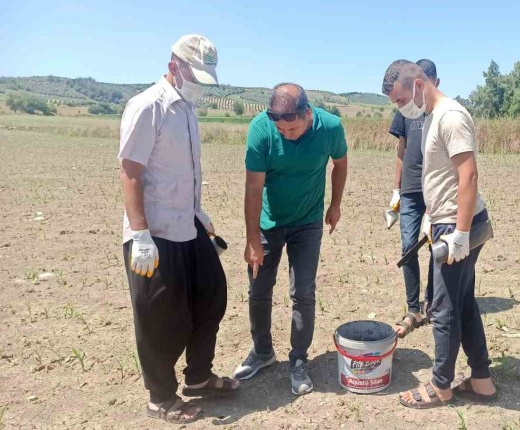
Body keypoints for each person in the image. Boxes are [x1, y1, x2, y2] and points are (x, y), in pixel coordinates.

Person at [118, 34, 238, 424]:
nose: (200, 87)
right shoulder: (147, 106)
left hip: (187, 225)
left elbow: (182, 173)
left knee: (211, 297)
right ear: (174, 66)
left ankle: (199, 378)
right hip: (154, 234)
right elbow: (130, 172)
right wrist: (139, 235)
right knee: (160, 317)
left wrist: (199, 215)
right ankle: (160, 397)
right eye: (196, 77)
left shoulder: (187, 111)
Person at [382, 60, 497, 409]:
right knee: (462, 303)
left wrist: (459, 233)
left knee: (443, 310)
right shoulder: (430, 117)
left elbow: (469, 175)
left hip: (459, 226)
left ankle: (440, 386)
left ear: (419, 84)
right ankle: (482, 381)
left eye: (402, 100)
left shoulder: (451, 116)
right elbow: (441, 177)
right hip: (446, 221)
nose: (402, 108)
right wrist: (431, 215)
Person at [235, 83, 348, 396]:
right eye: (280, 129)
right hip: (269, 222)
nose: (286, 135)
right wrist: (252, 239)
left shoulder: (331, 127)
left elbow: (340, 163)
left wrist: (335, 204)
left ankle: (298, 359)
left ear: (307, 114)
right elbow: (253, 188)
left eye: (293, 129)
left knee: (303, 292)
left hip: (307, 222)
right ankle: (262, 352)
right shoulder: (261, 130)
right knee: (258, 288)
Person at [389, 60, 439, 338]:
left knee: (434, 245)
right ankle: (413, 308)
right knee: (408, 246)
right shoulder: (405, 111)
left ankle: (431, 302)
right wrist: (395, 190)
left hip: (433, 189)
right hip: (409, 189)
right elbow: (401, 149)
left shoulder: (438, 110)